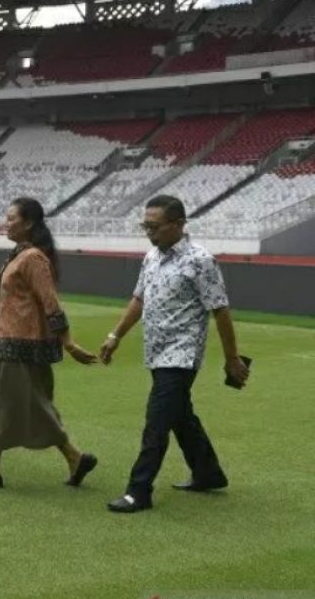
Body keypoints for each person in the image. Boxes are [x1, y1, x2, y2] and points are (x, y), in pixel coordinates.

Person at [102, 195, 250, 514]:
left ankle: (138, 490)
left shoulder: (201, 260)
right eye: (145, 225)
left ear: (179, 225)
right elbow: (139, 300)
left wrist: (232, 358)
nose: (148, 232)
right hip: (155, 351)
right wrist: (115, 336)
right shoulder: (151, 257)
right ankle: (208, 473)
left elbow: (220, 310)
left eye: (153, 226)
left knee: (157, 421)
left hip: (181, 355)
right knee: (180, 416)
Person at [0, 198, 98, 489]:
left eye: (10, 218)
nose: (5, 223)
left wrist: (68, 343)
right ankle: (73, 456)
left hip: (20, 344)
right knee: (31, 405)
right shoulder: (22, 255)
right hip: (17, 342)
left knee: (5, 406)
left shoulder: (32, 258)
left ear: (29, 222)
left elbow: (51, 302)